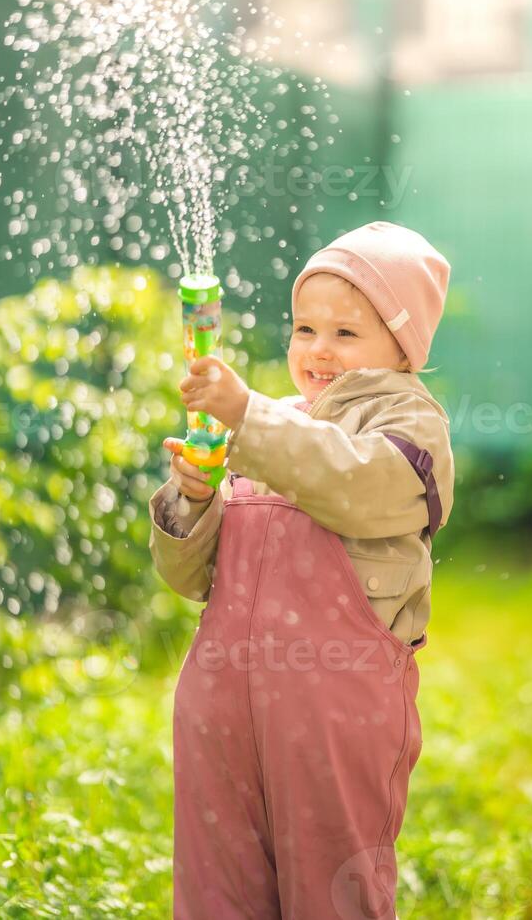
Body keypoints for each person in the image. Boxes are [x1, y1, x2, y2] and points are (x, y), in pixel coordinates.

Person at [149, 221, 455, 920]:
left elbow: (350, 481)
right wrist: (193, 501)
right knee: (216, 887)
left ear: (401, 349)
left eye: (346, 334)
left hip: (331, 715)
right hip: (221, 705)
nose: (318, 349)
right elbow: (193, 577)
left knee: (332, 886)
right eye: (304, 328)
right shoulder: (272, 428)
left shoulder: (410, 429)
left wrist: (244, 416)